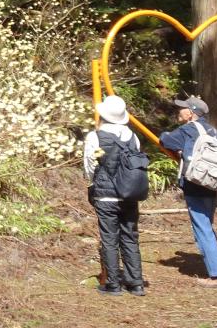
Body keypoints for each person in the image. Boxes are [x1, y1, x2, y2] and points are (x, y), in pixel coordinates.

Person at [159, 95, 217, 288]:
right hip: (212, 185)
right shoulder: (215, 132)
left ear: (190, 113)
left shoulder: (188, 130)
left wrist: (166, 136)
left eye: (182, 108)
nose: (179, 111)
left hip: (195, 184)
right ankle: (215, 269)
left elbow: (166, 140)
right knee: (207, 226)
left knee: (202, 229)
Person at [84, 94, 146, 296]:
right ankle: (136, 283)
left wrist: (93, 183)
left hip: (105, 196)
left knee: (109, 238)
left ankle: (113, 284)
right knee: (130, 237)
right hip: (129, 193)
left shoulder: (95, 137)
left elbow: (89, 166)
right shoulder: (133, 137)